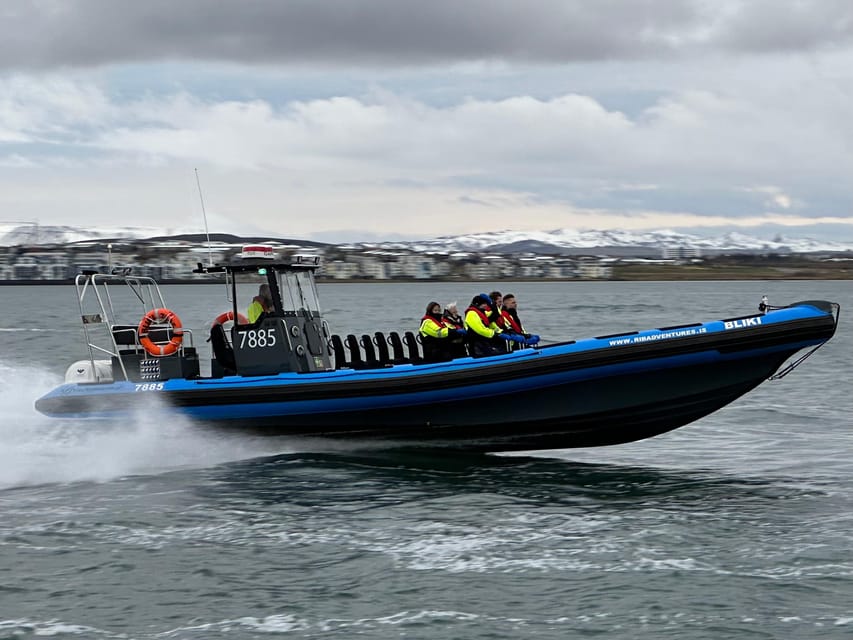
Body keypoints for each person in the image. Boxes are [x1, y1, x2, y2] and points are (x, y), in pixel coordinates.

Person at [464, 293, 524, 357]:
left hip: (483, 341)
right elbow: (480, 330)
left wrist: (492, 305)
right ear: (478, 304)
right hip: (475, 343)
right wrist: (494, 334)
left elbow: (494, 314)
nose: (486, 305)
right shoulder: (471, 314)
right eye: (484, 304)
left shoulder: (481, 312)